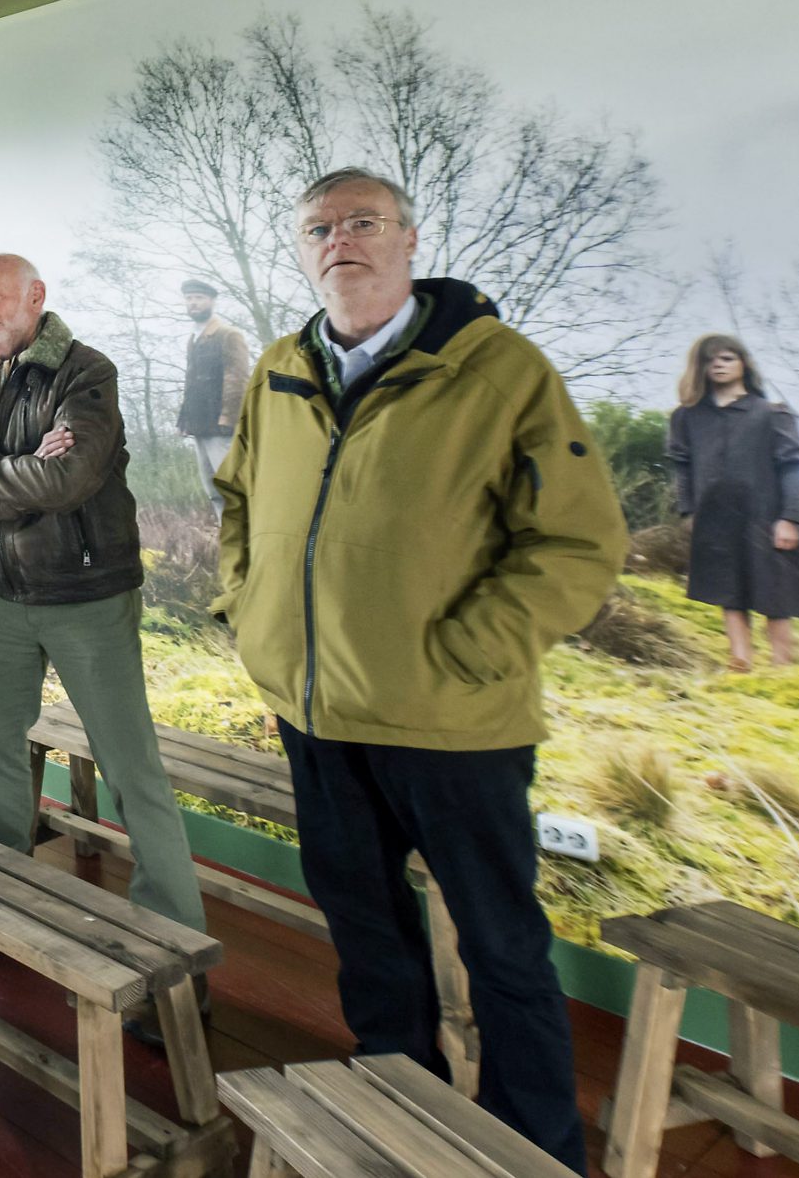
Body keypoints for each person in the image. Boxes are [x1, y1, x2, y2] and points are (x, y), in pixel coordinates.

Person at [210, 168, 625, 1172]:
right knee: (368, 936)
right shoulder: (280, 369)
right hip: (317, 717)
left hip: (453, 726)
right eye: (319, 228)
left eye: (363, 221)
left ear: (408, 239)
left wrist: (469, 649)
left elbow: (578, 541)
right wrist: (248, 614)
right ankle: (398, 1111)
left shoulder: (497, 369)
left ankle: (536, 1150)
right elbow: (238, 501)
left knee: (500, 949)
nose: (340, 240)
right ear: (302, 251)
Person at [0, 254, 208, 1043]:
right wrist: (11, 471)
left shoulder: (86, 371)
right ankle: (1, 886)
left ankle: (177, 956)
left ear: (35, 297)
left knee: (131, 769)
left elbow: (70, 480)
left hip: (87, 597)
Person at [667, 334, 799, 671]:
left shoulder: (771, 413)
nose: (718, 365)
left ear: (743, 365)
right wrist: (690, 511)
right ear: (700, 367)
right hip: (715, 517)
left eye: (727, 358)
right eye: (710, 360)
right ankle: (740, 659)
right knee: (728, 588)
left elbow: (793, 466)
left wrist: (791, 518)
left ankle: (782, 664)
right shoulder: (687, 417)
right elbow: (683, 467)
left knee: (774, 589)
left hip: (766, 516)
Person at [175, 277, 249, 518]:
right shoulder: (193, 338)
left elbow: (237, 380)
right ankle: (225, 535)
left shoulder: (228, 334)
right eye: (189, 298)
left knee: (232, 486)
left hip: (221, 426)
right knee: (213, 490)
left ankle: (246, 536)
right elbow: (192, 382)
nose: (193, 303)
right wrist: (184, 420)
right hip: (200, 425)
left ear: (212, 301)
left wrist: (228, 420)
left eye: (199, 298)